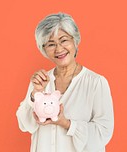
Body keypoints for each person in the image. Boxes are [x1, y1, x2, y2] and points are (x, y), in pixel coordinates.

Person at [16, 12, 114, 152]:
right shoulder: (40, 81)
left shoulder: (96, 83)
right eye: (51, 44)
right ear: (44, 49)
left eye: (64, 40)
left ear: (75, 40)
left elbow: (103, 133)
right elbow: (25, 125)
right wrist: (35, 93)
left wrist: (67, 124)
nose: (59, 49)